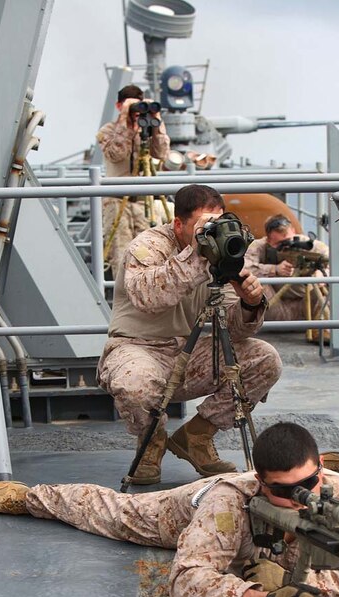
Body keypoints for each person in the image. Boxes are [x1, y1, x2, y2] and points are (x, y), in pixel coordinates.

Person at [0, 422, 339, 597]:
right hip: (189, 508)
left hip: (284, 525)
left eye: (309, 482)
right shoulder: (228, 503)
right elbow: (185, 581)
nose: (302, 497)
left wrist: (302, 583)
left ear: (321, 472)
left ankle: (303, 465)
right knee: (112, 512)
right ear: (262, 483)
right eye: (285, 489)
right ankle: (26, 498)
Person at [96, 183, 282, 485]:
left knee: (264, 358)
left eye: (217, 223)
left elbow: (234, 330)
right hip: (137, 349)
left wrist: (249, 303)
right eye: (204, 225)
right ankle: (151, 444)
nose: (212, 232)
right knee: (134, 384)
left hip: (185, 353)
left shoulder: (217, 252)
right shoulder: (149, 246)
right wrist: (196, 256)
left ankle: (196, 437)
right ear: (178, 224)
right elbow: (149, 297)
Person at [97, 84, 171, 277]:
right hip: (116, 202)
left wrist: (157, 122)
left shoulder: (146, 130)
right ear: (119, 106)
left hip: (144, 202)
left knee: (149, 256)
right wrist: (125, 123)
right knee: (121, 258)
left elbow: (162, 153)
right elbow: (116, 154)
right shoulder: (108, 130)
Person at [244, 214, 331, 336]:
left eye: (290, 240)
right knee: (253, 282)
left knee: (329, 285)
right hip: (274, 308)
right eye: (280, 244)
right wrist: (274, 269)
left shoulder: (310, 245)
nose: (288, 247)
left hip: (305, 306)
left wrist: (322, 274)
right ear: (268, 240)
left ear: (294, 232)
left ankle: (321, 329)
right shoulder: (259, 246)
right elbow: (243, 268)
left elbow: (338, 264)